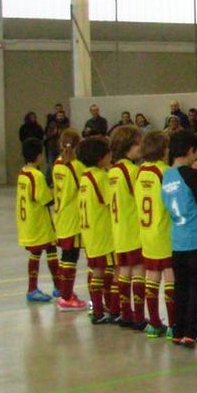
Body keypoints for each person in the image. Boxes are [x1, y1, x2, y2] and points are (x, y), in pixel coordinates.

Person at [162, 128, 197, 347]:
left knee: (180, 288)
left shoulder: (166, 176)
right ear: (191, 150)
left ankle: (178, 329)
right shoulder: (190, 175)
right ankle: (193, 332)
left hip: (177, 240)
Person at [136, 130, 175, 337]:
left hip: (147, 232)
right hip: (165, 231)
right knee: (170, 277)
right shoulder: (165, 172)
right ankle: (173, 324)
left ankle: (154, 322)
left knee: (152, 276)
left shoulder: (141, 171)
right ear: (163, 150)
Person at [108, 124, 147, 330]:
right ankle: (138, 316)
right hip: (133, 228)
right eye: (138, 143)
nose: (141, 147)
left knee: (123, 270)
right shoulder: (132, 171)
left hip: (118, 229)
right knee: (138, 269)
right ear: (128, 146)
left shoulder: (113, 171)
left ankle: (125, 312)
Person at [77, 135, 118, 324]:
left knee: (97, 270)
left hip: (90, 233)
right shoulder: (101, 177)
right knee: (114, 269)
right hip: (104, 233)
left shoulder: (85, 176)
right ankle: (113, 308)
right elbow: (112, 202)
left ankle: (98, 309)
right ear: (100, 157)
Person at [15, 137, 59, 303]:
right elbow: (46, 200)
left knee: (42, 251)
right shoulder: (37, 176)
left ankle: (43, 287)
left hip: (27, 222)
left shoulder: (22, 173)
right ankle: (48, 287)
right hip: (39, 222)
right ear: (39, 155)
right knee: (46, 251)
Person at [52, 128, 87, 310]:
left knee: (66, 256)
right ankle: (66, 297)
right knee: (70, 258)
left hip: (61, 215)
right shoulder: (77, 166)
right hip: (74, 218)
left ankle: (65, 292)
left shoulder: (57, 163)